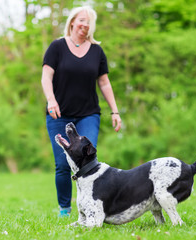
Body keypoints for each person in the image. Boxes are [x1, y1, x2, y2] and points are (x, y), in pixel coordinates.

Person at [41, 6, 122, 217]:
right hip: (59, 114)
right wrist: (51, 100)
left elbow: (104, 83)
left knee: (88, 161)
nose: (85, 25)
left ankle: (90, 206)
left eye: (89, 22)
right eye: (82, 20)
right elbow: (46, 76)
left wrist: (115, 111)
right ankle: (65, 209)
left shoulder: (97, 51)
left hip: (88, 114)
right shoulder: (57, 47)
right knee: (62, 165)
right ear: (72, 22)